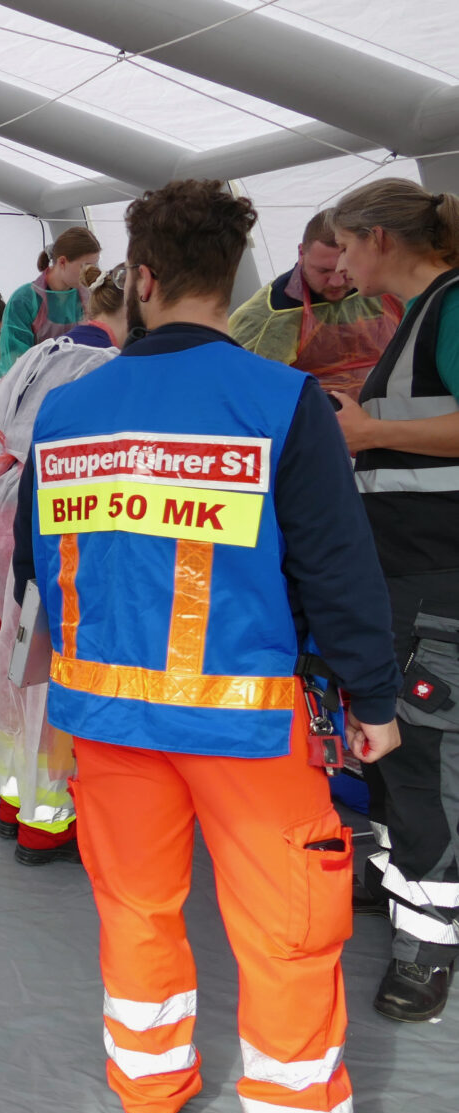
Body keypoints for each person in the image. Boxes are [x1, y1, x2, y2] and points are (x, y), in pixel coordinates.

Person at [14, 180, 400, 1113]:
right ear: (231, 279)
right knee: (286, 928)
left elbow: (34, 561)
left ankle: (148, 1096)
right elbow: (336, 568)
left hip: (107, 721)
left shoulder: (65, 414)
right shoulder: (282, 400)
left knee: (137, 908)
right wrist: (373, 699)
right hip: (249, 725)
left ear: (141, 279)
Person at [330, 177, 459, 1022]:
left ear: (379, 238)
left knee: (425, 757)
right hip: (400, 575)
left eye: (345, 245)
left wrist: (371, 429)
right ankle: (398, 883)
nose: (339, 263)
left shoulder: (451, 308)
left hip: (437, 578)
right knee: (390, 747)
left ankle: (429, 947)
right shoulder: (418, 316)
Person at [0, 264, 128, 867]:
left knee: (9, 653)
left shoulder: (40, 353)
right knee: (51, 665)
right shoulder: (106, 367)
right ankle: (47, 822)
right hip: (47, 513)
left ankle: (14, 800)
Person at [229, 208, 402, 400]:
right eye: (323, 271)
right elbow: (250, 390)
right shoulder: (271, 316)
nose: (336, 282)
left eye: (346, 269)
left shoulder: (387, 287)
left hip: (393, 401)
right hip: (320, 412)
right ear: (301, 253)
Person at [0, 225, 100, 370]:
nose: (90, 273)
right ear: (62, 262)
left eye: (94, 266)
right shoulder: (24, 300)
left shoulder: (88, 296)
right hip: (34, 381)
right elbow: (16, 363)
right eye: (85, 266)